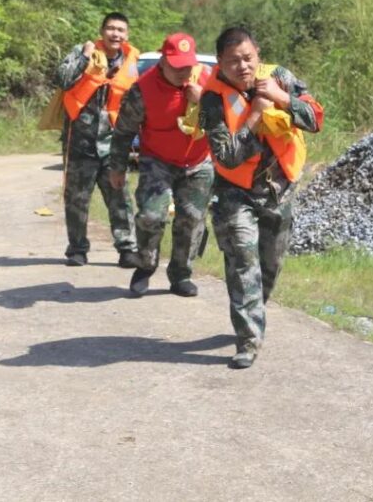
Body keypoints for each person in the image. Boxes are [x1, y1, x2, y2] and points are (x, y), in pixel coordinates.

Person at [199, 27, 324, 369]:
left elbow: (316, 118)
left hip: (279, 188)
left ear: (258, 54)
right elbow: (226, 157)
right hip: (234, 192)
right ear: (220, 64)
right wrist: (255, 114)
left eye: (248, 58)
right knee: (242, 261)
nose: (242, 66)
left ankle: (254, 308)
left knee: (270, 264)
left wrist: (283, 99)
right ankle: (248, 340)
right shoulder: (212, 100)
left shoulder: (280, 77)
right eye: (232, 61)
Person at [109, 32, 215, 298]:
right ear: (163, 60)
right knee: (151, 215)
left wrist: (203, 99)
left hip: (198, 161)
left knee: (191, 219)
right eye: (177, 66)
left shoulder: (208, 82)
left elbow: (225, 121)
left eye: (188, 66)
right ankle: (145, 264)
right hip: (158, 160)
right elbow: (123, 132)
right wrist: (117, 167)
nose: (184, 72)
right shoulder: (142, 90)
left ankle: (181, 274)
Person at [55, 11, 140, 267]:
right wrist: (83, 56)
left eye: (121, 30)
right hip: (80, 140)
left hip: (113, 142)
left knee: (120, 198)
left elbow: (138, 99)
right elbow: (62, 79)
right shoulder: (84, 51)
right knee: (76, 199)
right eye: (111, 28)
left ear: (127, 35)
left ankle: (127, 248)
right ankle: (77, 249)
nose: (116, 34)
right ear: (102, 31)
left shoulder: (131, 62)